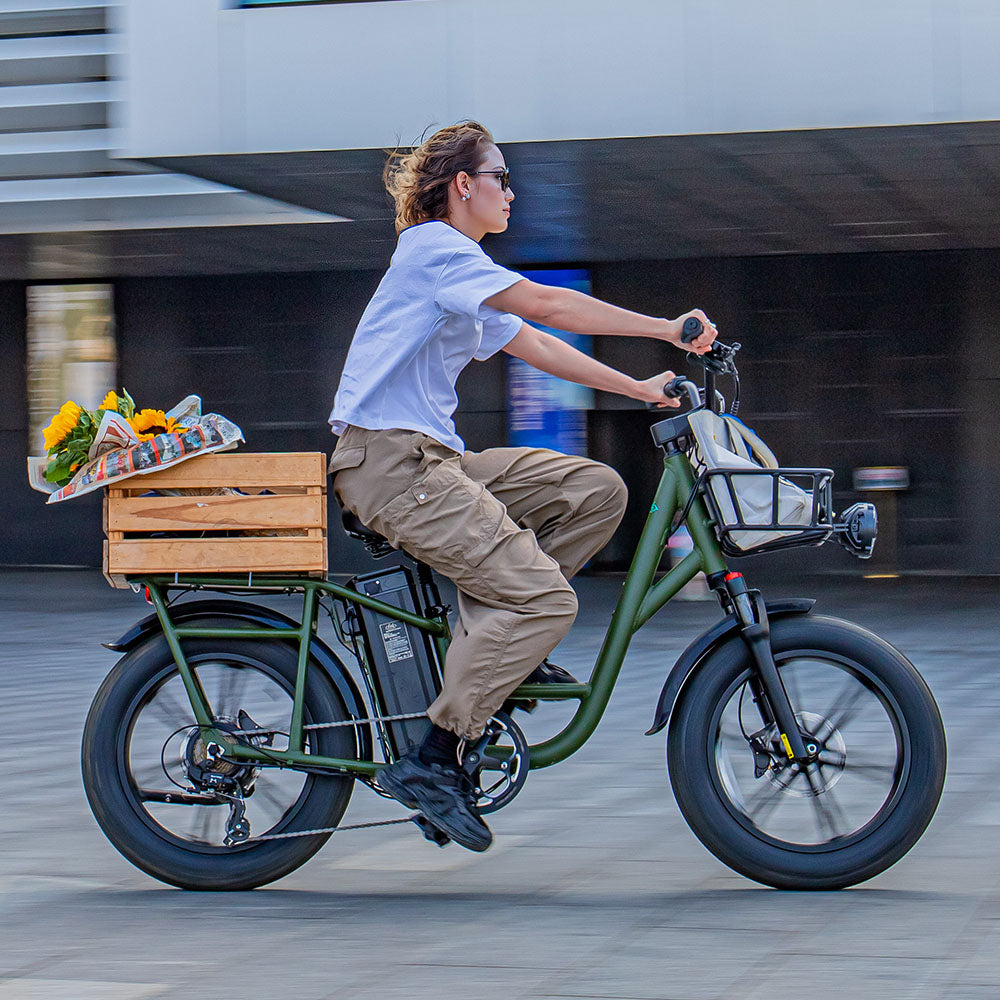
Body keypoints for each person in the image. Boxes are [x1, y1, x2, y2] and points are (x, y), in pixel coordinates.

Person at [328, 121, 717, 852]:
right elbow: (545, 306)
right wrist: (666, 329)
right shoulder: (437, 250)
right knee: (545, 597)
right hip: (392, 464)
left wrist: (636, 388)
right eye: (500, 177)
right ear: (462, 186)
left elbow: (535, 342)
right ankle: (435, 759)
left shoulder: (459, 268)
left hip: (428, 462)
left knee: (593, 491)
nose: (512, 191)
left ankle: (497, 642)